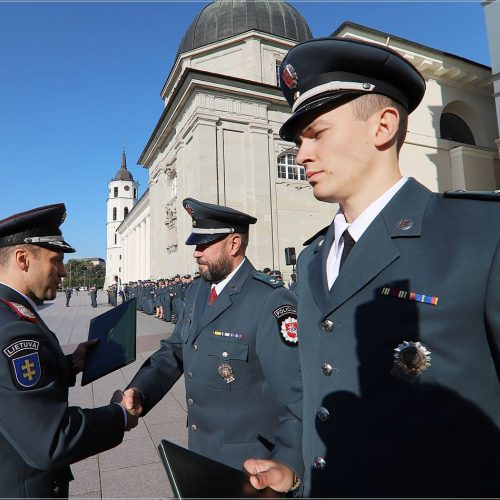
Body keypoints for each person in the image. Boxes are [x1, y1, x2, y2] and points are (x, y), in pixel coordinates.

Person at [244, 37, 500, 497]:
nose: (301, 155)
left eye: (317, 134)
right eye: (299, 141)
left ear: (383, 126)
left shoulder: (482, 236)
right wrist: (290, 464)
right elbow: (313, 381)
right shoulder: (314, 256)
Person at [123, 198, 302, 481]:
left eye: (204, 244)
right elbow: (175, 349)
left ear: (233, 244)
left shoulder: (269, 298)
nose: (196, 253)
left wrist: (288, 467)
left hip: (249, 465)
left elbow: (295, 395)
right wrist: (140, 390)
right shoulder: (198, 290)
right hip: (201, 450)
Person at [0, 203, 139, 498]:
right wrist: (119, 416)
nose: (63, 272)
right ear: (22, 259)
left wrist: (71, 363)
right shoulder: (15, 330)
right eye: (56, 261)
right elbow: (50, 441)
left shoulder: (9, 312)